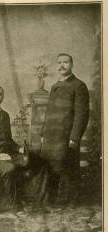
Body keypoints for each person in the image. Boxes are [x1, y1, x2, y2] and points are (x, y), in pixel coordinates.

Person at [0, 84, 49, 215]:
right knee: (9, 168)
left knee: (40, 161)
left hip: (5, 154)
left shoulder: (5, 115)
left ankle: (38, 200)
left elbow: (8, 141)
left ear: (3, 96)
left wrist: (18, 148)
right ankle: (14, 206)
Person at [40, 53, 89, 207]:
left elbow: (82, 114)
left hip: (67, 136)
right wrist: (43, 133)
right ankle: (51, 199)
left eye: (65, 62)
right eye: (59, 62)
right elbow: (48, 112)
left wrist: (74, 137)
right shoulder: (55, 86)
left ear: (72, 64)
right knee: (51, 166)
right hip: (51, 136)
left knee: (70, 167)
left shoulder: (79, 86)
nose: (62, 65)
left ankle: (73, 200)